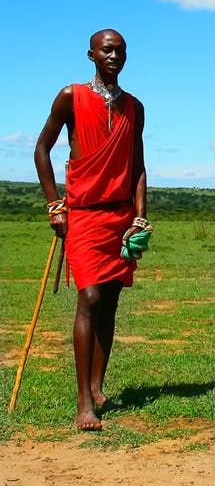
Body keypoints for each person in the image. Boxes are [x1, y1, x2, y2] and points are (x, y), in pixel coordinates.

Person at [34, 29, 148, 431]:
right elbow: (41, 149)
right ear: (91, 55)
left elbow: (137, 167)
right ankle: (84, 400)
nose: (115, 55)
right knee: (90, 296)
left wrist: (140, 215)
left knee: (111, 301)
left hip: (120, 218)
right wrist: (55, 205)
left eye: (121, 50)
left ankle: (98, 386)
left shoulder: (135, 107)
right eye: (107, 49)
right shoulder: (71, 96)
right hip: (83, 214)